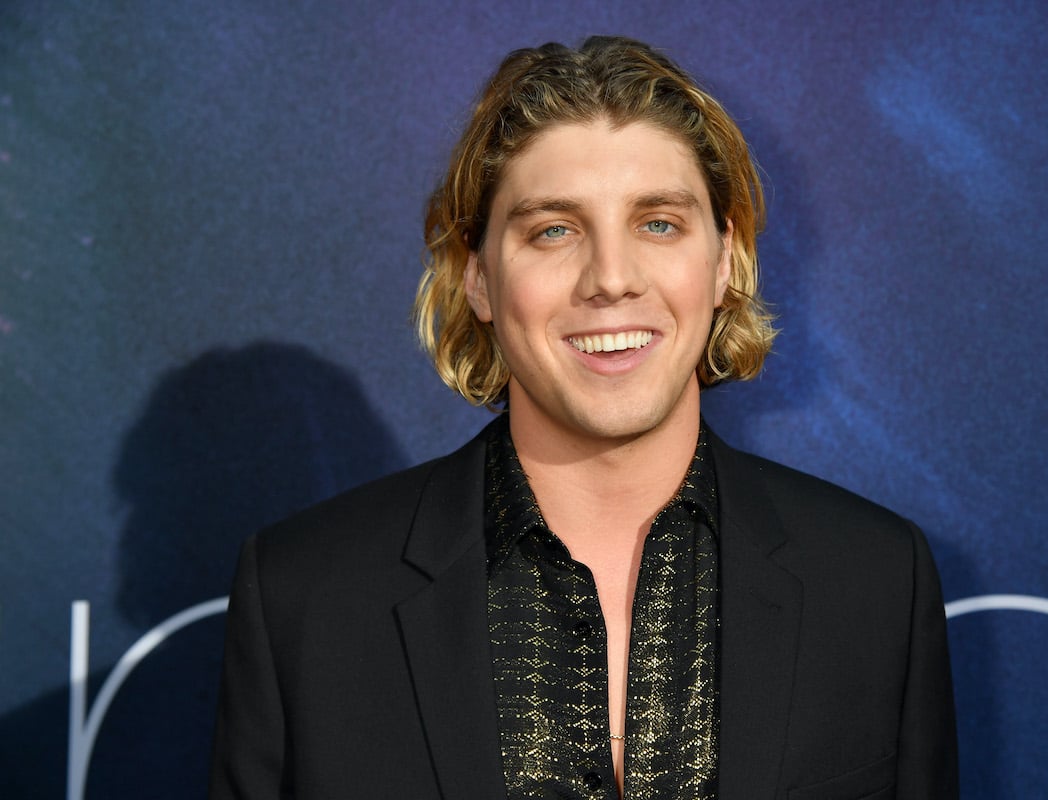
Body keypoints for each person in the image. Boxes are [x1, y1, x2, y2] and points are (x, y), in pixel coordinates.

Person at [209, 35, 957, 800]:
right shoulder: (308, 601)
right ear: (477, 278)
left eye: (658, 223)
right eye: (554, 230)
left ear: (725, 258)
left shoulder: (873, 584)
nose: (610, 279)